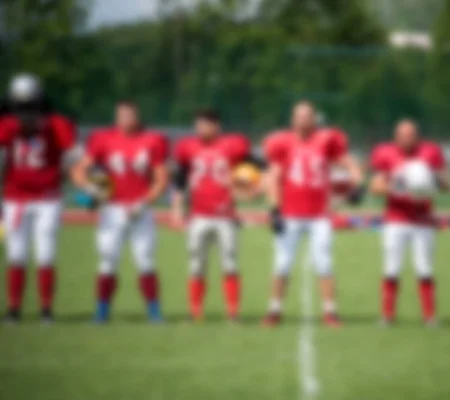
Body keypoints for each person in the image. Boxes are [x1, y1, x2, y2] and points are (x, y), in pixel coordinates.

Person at [261, 101, 363, 327]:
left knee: (324, 263)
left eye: (307, 116)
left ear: (315, 118)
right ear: (292, 119)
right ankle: (274, 310)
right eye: (299, 116)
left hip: (319, 215)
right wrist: (274, 209)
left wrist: (356, 180)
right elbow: (273, 177)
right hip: (290, 212)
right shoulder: (282, 142)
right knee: (282, 263)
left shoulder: (326, 139)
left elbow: (348, 162)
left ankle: (330, 311)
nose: (303, 120)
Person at [71, 101, 169, 323]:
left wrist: (145, 203)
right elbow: (78, 170)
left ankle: (154, 310)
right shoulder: (102, 138)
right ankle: (102, 309)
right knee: (107, 260)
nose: (125, 120)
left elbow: (161, 177)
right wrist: (89, 190)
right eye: (121, 115)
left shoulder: (153, 140)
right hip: (112, 209)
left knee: (145, 260)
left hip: (140, 208)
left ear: (137, 117)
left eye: (129, 115)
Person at [0, 73, 77, 323]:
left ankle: (46, 309)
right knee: (16, 255)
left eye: (29, 106)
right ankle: (13, 309)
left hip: (47, 198)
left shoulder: (55, 123)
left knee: (46, 254)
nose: (25, 112)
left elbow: (72, 150)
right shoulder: (7, 124)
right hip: (16, 198)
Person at [171, 109, 257, 322]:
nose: (200, 128)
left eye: (205, 124)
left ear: (216, 126)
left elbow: (256, 168)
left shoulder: (233, 145)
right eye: (198, 124)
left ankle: (233, 312)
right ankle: (195, 312)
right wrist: (176, 208)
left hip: (225, 215)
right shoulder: (188, 147)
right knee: (196, 265)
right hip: (198, 215)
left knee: (230, 263)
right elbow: (180, 179)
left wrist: (249, 190)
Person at [370, 119, 450, 326]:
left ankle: (430, 316)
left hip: (423, 218)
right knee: (391, 267)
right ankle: (387, 316)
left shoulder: (430, 152)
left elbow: (447, 185)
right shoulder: (385, 152)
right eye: (402, 135)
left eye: (411, 134)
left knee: (425, 268)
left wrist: (429, 181)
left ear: (418, 136)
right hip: (395, 218)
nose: (407, 139)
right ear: (395, 137)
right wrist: (398, 186)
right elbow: (375, 187)